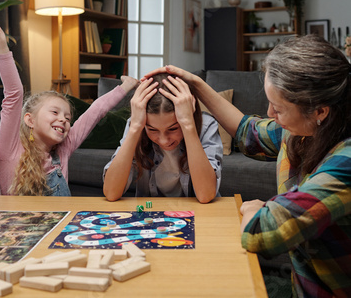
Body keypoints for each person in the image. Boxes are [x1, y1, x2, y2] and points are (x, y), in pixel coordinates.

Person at [145, 35, 351, 297]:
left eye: (278, 108)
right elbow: (248, 132)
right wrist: (197, 85)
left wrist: (258, 207)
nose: (269, 114)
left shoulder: (345, 162)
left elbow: (262, 230)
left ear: (320, 111)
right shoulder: (301, 132)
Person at [0, 17, 138, 196]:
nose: (63, 120)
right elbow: (14, 92)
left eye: (67, 118)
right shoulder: (10, 149)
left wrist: (126, 86)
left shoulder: (64, 149)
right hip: (18, 224)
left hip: (59, 223)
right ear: (30, 119)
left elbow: (95, 112)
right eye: (55, 112)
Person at [103, 73, 222, 203]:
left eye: (173, 128)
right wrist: (135, 128)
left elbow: (206, 195)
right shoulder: (137, 125)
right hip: (152, 215)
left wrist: (188, 125)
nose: (164, 140)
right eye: (153, 129)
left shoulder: (206, 125)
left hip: (197, 214)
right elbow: (111, 192)